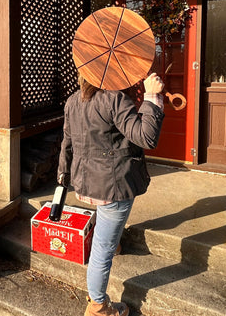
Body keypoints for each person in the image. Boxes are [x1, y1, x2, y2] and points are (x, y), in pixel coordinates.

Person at [57, 72, 165, 316]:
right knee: (101, 250)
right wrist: (151, 96)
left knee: (107, 229)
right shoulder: (114, 99)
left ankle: (113, 242)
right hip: (112, 186)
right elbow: (147, 137)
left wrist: (63, 173)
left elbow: (67, 141)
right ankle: (97, 306)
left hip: (87, 182)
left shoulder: (74, 100)